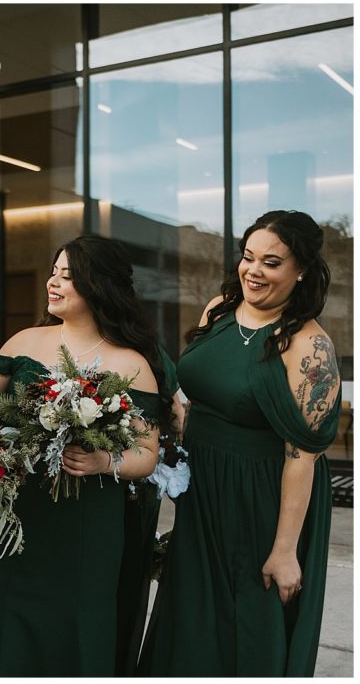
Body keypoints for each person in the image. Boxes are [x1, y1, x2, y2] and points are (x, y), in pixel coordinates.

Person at [0, 234, 179, 676]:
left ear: (97, 285)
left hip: (88, 520)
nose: (53, 282)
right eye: (53, 272)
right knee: (6, 612)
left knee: (77, 619)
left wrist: (104, 462)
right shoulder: (25, 340)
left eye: (67, 276)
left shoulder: (133, 362)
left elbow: (146, 453)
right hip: (18, 512)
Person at [138, 210, 341, 677]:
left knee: (247, 617)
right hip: (202, 486)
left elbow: (302, 458)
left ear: (301, 270)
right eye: (248, 258)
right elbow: (198, 397)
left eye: (271, 262)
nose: (253, 270)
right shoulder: (218, 310)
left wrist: (285, 549)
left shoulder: (310, 349)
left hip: (262, 497)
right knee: (191, 608)